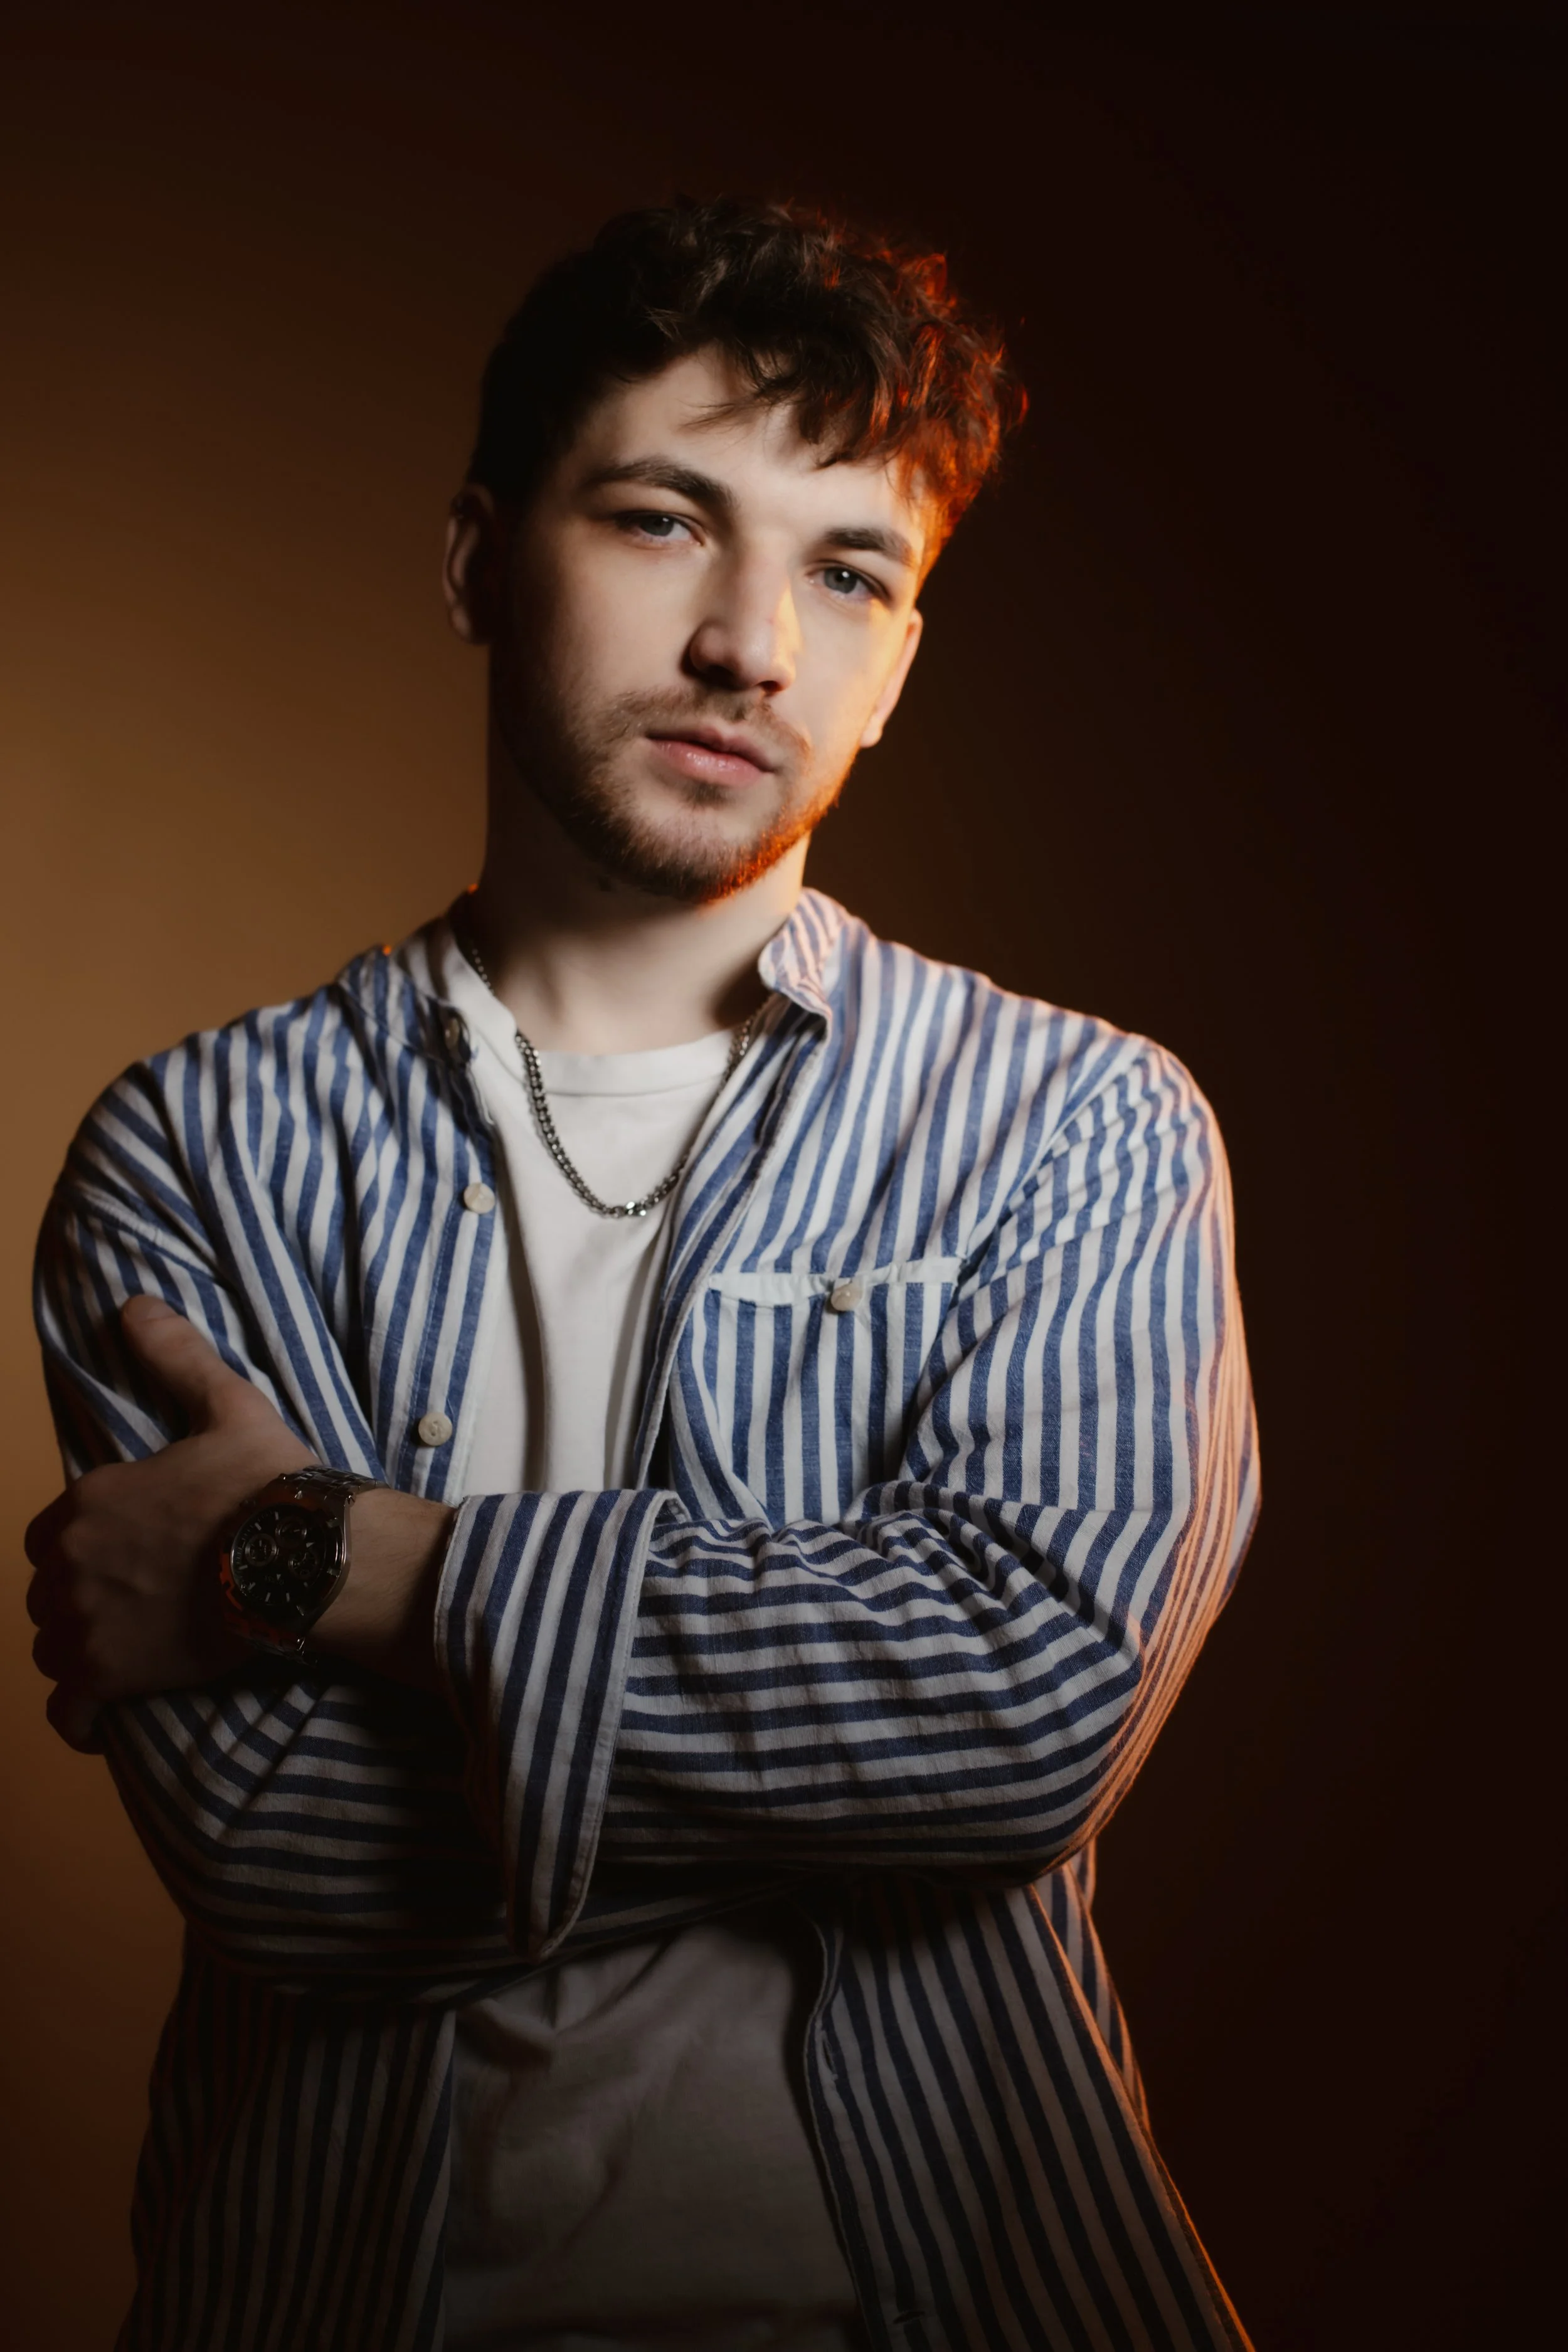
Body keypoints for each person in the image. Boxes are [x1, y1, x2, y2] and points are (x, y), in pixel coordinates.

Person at [25, 198, 1259, 2352]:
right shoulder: (194, 1155)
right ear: (478, 561)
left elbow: (1024, 1713)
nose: (750, 645)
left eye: (846, 573)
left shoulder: (1084, 1125)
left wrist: (351, 1565)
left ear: (896, 662)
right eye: (667, 523)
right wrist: (859, 1762)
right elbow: (283, 1855)